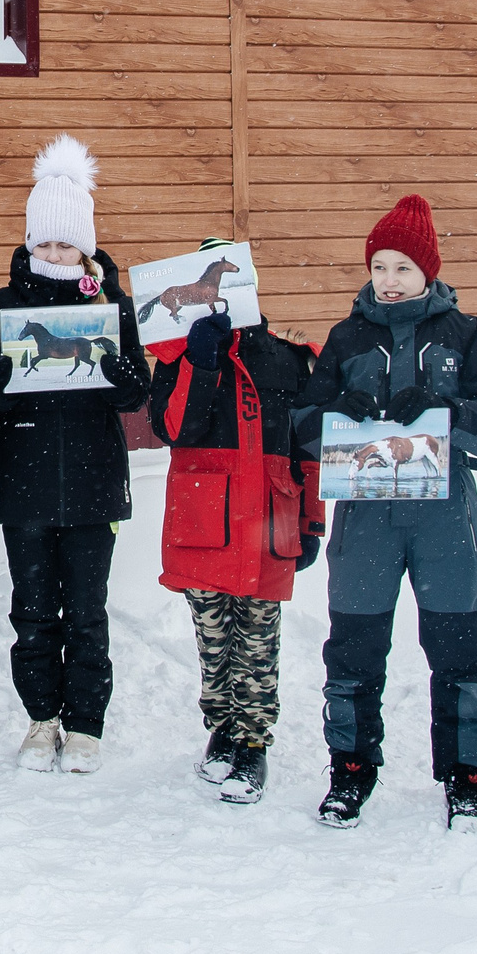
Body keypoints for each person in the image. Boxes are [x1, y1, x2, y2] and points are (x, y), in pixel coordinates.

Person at [291, 195, 477, 832]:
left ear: (429, 271)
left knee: (457, 646)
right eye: (380, 267)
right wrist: (345, 411)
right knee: (355, 648)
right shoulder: (347, 337)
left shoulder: (464, 334)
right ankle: (351, 767)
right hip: (366, 518)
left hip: (446, 516)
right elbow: (304, 429)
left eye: (403, 268)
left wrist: (445, 414)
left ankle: (467, 772)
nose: (389, 281)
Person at [0, 137, 149, 774]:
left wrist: (110, 349)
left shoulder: (112, 305)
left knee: (88, 609)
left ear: (86, 247)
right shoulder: (1, 306)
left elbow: (135, 394)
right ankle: (41, 719)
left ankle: (87, 725)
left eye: (65, 244)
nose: (52, 255)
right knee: (33, 608)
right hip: (25, 481)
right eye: (43, 243)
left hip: (95, 481)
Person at [148, 242, 320, 806]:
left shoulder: (289, 359)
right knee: (214, 636)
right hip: (203, 519)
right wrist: (201, 360)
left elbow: (308, 449)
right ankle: (221, 727)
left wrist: (313, 523)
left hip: (270, 520)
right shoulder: (178, 358)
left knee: (259, 638)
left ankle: (253, 741)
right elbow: (176, 427)